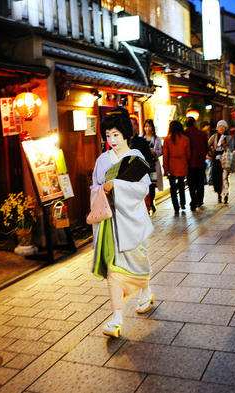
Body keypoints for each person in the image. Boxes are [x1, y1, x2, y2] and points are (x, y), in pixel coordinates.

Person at [91, 107, 155, 338]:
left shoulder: (136, 158)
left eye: (116, 135)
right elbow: (94, 187)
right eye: (108, 136)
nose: (111, 140)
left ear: (126, 134)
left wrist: (116, 185)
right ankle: (116, 319)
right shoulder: (102, 160)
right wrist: (100, 189)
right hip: (110, 224)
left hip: (131, 221)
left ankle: (145, 291)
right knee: (114, 271)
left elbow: (142, 188)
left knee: (138, 261)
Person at [162, 120, 190, 214]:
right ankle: (183, 202)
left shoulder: (167, 139)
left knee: (173, 187)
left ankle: (176, 206)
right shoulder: (185, 139)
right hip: (182, 163)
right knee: (181, 184)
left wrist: (166, 167)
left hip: (171, 165)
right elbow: (188, 154)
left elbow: (165, 155)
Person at [184, 117, 208, 211]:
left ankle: (193, 201)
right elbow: (206, 148)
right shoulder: (202, 134)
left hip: (190, 163)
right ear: (194, 123)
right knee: (200, 183)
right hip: (200, 162)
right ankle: (200, 200)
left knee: (191, 184)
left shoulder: (185, 134)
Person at [208, 120, 234, 203]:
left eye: (223, 126)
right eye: (219, 126)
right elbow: (207, 144)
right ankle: (219, 194)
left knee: (225, 178)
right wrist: (209, 154)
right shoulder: (214, 137)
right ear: (217, 128)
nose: (221, 128)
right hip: (216, 159)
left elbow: (231, 149)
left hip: (225, 159)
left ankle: (226, 195)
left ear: (226, 128)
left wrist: (224, 145)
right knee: (216, 177)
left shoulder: (229, 138)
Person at [143, 119, 163, 214]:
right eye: (146, 126)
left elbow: (161, 151)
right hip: (143, 165)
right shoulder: (141, 138)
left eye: (149, 126)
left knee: (152, 185)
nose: (148, 128)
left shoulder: (157, 139)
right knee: (145, 185)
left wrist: (155, 152)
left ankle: (151, 202)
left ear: (152, 128)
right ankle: (148, 204)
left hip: (153, 165)